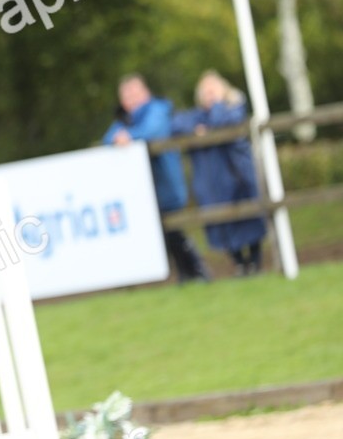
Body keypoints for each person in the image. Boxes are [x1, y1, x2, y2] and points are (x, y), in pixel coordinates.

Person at [103, 74, 211, 283]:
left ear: (146, 92)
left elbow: (152, 132)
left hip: (167, 182)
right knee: (166, 232)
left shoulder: (158, 110)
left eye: (135, 92)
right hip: (146, 189)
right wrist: (120, 137)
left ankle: (197, 270)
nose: (131, 99)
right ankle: (187, 274)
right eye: (127, 95)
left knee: (174, 229)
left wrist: (129, 137)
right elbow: (110, 137)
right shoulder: (125, 120)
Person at [172, 71, 266, 275]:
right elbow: (177, 124)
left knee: (249, 220)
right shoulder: (196, 117)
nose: (210, 95)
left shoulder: (233, 109)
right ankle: (240, 264)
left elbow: (221, 120)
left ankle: (255, 263)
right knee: (222, 225)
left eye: (213, 90)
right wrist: (197, 128)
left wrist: (214, 110)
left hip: (238, 177)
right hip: (212, 185)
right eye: (206, 92)